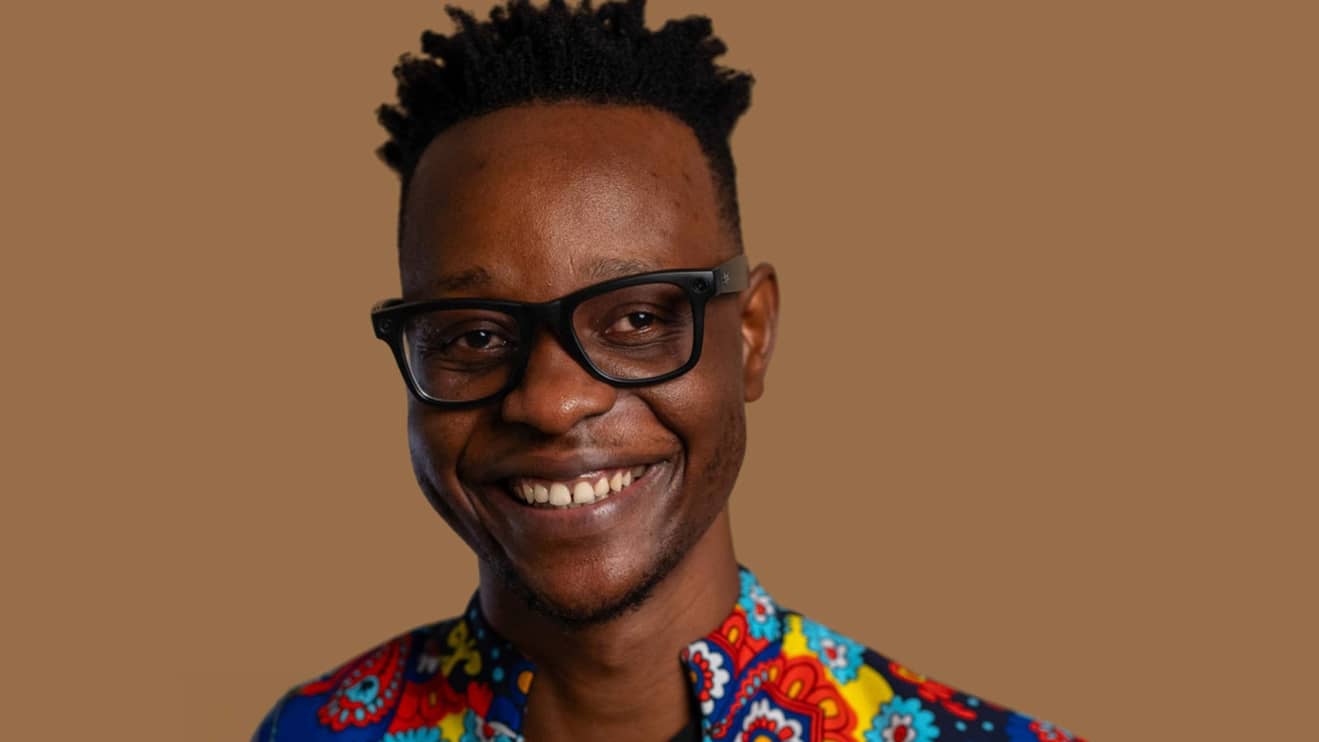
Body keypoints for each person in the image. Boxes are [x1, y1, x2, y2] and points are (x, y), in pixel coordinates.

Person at [253, 1, 1083, 740]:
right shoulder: (308, 732)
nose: (552, 401)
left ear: (751, 334)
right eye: (473, 336)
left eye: (637, 321)